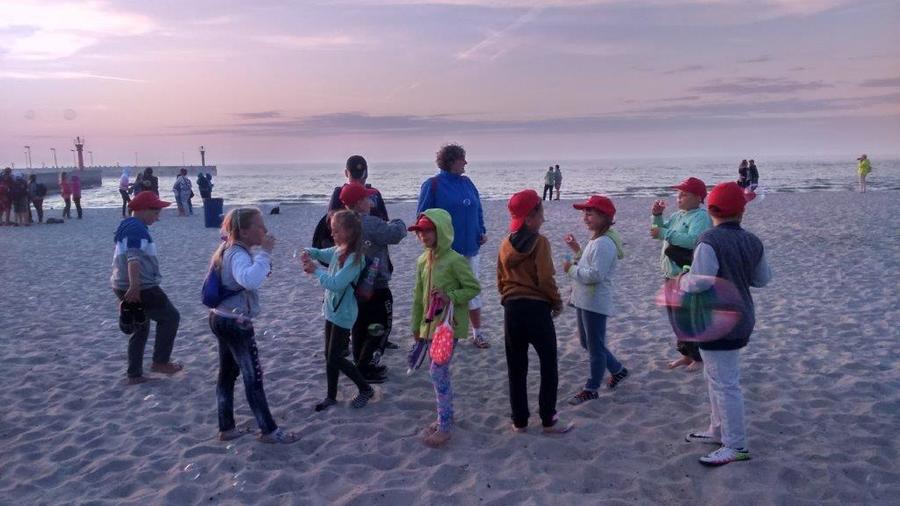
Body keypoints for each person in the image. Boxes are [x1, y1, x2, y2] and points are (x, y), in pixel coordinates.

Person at [680, 181, 771, 466]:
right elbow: (762, 279)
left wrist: (682, 279)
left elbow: (699, 283)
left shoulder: (709, 240)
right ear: (742, 211)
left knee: (725, 383)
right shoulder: (753, 240)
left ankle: (736, 445)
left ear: (710, 209)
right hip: (742, 317)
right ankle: (717, 430)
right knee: (716, 378)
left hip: (716, 321)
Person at [208, 208, 300, 444]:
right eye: (259, 226)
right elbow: (249, 280)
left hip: (221, 317)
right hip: (235, 322)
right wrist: (265, 253)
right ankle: (269, 431)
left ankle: (226, 427)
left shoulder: (229, 249)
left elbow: (251, 277)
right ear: (244, 232)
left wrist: (261, 259)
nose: (265, 230)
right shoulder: (237, 253)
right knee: (253, 377)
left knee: (227, 374)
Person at [497, 190, 571, 434]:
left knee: (516, 367)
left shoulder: (505, 244)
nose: (543, 218)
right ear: (530, 218)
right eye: (541, 213)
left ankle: (519, 421)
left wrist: (508, 299)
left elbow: (500, 280)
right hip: (537, 308)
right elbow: (545, 278)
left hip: (512, 309)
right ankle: (548, 419)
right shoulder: (540, 242)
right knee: (548, 364)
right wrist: (556, 302)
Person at [408, 209, 481, 447]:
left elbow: (473, 288)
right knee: (438, 373)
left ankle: (445, 425)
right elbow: (418, 297)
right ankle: (444, 416)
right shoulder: (422, 260)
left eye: (428, 230)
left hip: (448, 328)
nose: (423, 235)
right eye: (420, 231)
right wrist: (416, 326)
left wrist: (450, 296)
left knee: (437, 372)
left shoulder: (455, 260)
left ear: (442, 231)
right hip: (428, 327)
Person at [300, 210, 375, 412]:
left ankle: (366, 389)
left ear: (349, 232)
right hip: (332, 309)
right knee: (329, 355)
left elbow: (336, 284)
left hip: (344, 313)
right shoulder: (338, 249)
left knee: (335, 357)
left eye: (336, 230)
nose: (332, 234)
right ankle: (331, 397)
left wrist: (316, 270)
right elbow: (320, 253)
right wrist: (308, 252)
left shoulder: (355, 259)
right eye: (331, 230)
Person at [416, 144, 489, 348]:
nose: (466, 162)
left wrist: (481, 230)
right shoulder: (432, 185)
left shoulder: (467, 182)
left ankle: (477, 333)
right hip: (444, 252)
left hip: (470, 248)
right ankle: (432, 332)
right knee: (439, 293)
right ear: (450, 161)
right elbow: (422, 217)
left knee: (471, 291)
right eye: (462, 159)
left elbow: (478, 209)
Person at [110, 191, 183, 384]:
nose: (158, 217)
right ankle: (160, 362)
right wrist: (135, 286)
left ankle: (134, 374)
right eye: (156, 212)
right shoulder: (136, 228)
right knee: (171, 317)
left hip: (121, 284)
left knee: (141, 328)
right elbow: (133, 258)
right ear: (142, 210)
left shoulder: (127, 225)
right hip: (141, 286)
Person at [562, 195, 628, 405]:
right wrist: (576, 250)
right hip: (584, 299)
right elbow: (589, 262)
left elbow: (596, 274)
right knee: (587, 342)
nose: (585, 217)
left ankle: (591, 388)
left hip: (595, 301)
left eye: (590, 214)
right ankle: (618, 369)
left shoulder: (604, 243)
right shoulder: (596, 239)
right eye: (584, 213)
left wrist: (570, 269)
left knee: (595, 346)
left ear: (605, 217)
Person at [339, 182, 407, 383]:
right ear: (360, 202)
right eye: (368, 198)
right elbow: (394, 234)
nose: (371, 201)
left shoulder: (342, 224)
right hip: (376, 285)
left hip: (354, 286)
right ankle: (367, 366)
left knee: (359, 325)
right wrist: (399, 222)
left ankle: (360, 361)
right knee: (380, 325)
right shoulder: (369, 223)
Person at [651, 177, 713, 372]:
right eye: (678, 194)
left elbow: (694, 240)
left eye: (684, 194)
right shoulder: (677, 215)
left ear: (698, 197)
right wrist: (657, 216)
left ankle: (698, 357)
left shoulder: (701, 217)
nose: (679, 198)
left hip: (685, 276)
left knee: (686, 318)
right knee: (675, 319)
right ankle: (686, 355)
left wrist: (665, 234)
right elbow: (660, 230)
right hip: (670, 274)